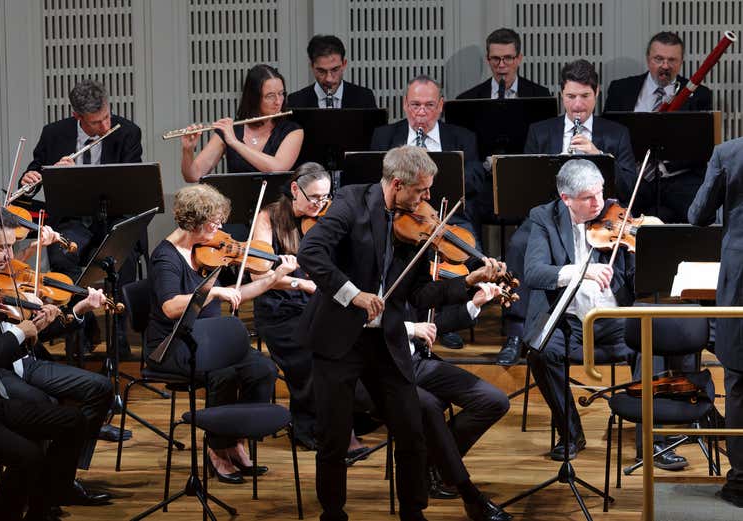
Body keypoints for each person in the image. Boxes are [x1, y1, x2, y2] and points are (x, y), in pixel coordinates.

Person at [296, 145, 505, 521]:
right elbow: (312, 252)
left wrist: (468, 282)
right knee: (333, 439)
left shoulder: (415, 227)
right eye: (421, 191)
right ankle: (333, 514)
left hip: (384, 341)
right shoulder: (350, 203)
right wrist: (353, 294)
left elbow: (421, 292)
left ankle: (413, 513)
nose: (427, 200)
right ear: (397, 184)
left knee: (411, 430)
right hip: (339, 339)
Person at [523, 159, 686, 469]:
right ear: (565, 198)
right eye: (588, 197)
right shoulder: (544, 218)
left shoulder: (615, 215)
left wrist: (643, 246)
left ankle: (652, 442)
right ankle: (571, 433)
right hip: (568, 320)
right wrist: (581, 271)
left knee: (650, 341)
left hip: (612, 318)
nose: (599, 202)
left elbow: (643, 278)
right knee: (540, 353)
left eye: (600, 193)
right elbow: (533, 271)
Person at [145, 183, 296, 484]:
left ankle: (234, 441)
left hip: (213, 338)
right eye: (213, 223)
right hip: (174, 343)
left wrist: (274, 278)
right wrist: (214, 292)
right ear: (193, 223)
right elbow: (170, 307)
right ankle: (216, 449)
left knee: (263, 370)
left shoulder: (209, 250)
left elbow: (238, 292)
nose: (220, 228)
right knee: (224, 374)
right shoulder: (166, 258)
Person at [0, 205, 115, 506]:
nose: (9, 256)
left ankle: (60, 477)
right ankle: (46, 489)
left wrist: (74, 311)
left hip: (24, 359)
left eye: (12, 246)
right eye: (3, 247)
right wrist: (22, 330)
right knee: (43, 405)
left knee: (100, 388)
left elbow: (27, 336)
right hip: (0, 370)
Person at [496, 59, 638, 367]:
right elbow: (524, 184)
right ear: (561, 95)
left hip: (599, 214)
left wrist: (599, 155)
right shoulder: (541, 131)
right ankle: (517, 331)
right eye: (571, 96)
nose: (577, 104)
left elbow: (628, 183)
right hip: (552, 215)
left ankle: (612, 321)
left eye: (584, 96)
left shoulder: (616, 134)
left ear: (596, 94)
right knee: (520, 244)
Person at [0, 233, 88, 521]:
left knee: (72, 421)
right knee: (29, 456)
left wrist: (32, 329)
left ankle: (42, 509)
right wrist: (21, 332)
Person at [252, 162, 370, 455]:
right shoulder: (268, 218)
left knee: (347, 351)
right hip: (281, 310)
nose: (320, 204)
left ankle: (341, 419)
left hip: (318, 305)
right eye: (314, 197)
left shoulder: (327, 217)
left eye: (326, 197)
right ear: (295, 189)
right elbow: (258, 276)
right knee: (309, 358)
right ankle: (312, 429)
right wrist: (300, 284)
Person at [370, 75, 488, 349]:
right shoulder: (384, 135)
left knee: (466, 254)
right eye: (414, 105)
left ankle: (446, 322)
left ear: (440, 106)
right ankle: (410, 319)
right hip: (399, 215)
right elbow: (376, 178)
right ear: (404, 105)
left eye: (428, 105)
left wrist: (437, 172)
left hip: (447, 215)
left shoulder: (461, 136)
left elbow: (475, 179)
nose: (420, 113)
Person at [19, 78, 143, 283]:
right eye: (96, 122)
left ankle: (122, 313)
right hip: (72, 219)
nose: (105, 126)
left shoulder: (127, 132)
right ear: (77, 116)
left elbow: (130, 186)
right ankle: (80, 311)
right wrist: (33, 180)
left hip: (115, 218)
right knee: (61, 255)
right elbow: (35, 174)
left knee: (123, 257)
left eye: (107, 116)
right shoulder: (54, 134)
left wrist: (78, 179)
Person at [404, 286, 512, 521]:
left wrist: (474, 304)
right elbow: (360, 323)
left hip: (417, 361)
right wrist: (411, 328)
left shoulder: (406, 272)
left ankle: (434, 464)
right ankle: (470, 495)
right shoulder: (367, 270)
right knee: (429, 406)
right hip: (381, 369)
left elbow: (434, 326)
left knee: (494, 400)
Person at [605, 31, 713, 223]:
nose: (665, 66)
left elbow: (701, 148)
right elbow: (609, 135)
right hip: (635, 178)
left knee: (703, 215)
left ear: (681, 62)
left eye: (672, 60)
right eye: (659, 59)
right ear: (648, 60)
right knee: (610, 215)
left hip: (678, 179)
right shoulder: (620, 89)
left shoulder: (699, 95)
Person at [688, 136, 743, 507]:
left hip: (740, 281)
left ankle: (741, 481)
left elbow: (698, 215)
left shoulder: (729, 153)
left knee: (739, 382)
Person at [181, 64, 304, 181]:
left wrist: (235, 143)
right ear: (254, 98)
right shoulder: (231, 130)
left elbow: (277, 168)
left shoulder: (293, 131)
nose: (278, 102)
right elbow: (193, 176)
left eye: (281, 94)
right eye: (270, 96)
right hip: (236, 201)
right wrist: (188, 150)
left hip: (276, 203)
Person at [457, 28, 550, 100]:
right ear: (488, 60)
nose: (501, 65)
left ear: (519, 59)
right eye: (495, 58)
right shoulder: (467, 99)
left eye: (508, 58)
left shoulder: (541, 95)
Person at [287, 34, 377, 109]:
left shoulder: (364, 98)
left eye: (335, 70)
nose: (329, 79)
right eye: (321, 71)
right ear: (312, 66)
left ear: (344, 64)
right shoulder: (296, 101)